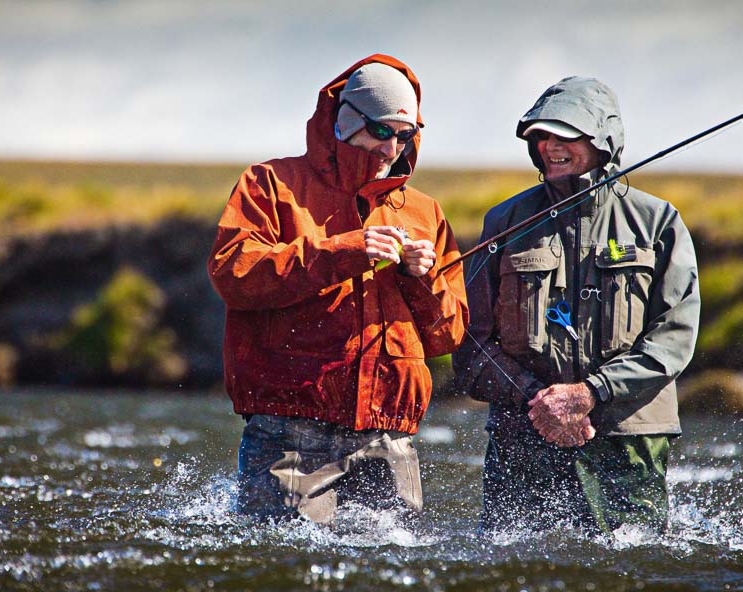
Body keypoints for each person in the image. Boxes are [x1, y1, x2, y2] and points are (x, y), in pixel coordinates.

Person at [208, 55, 468, 524]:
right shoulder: (269, 185)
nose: (392, 148)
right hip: (290, 431)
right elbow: (235, 275)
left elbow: (447, 337)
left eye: (404, 135)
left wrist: (422, 279)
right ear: (345, 121)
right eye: (381, 131)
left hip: (390, 439)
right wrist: (344, 250)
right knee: (292, 572)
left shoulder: (426, 211)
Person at [453, 77, 700, 534]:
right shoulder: (504, 222)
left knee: (631, 573)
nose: (550, 146)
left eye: (566, 134)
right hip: (522, 439)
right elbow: (469, 341)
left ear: (604, 141)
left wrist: (589, 394)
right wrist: (537, 400)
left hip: (629, 442)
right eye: (541, 136)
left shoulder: (659, 222)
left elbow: (674, 338)